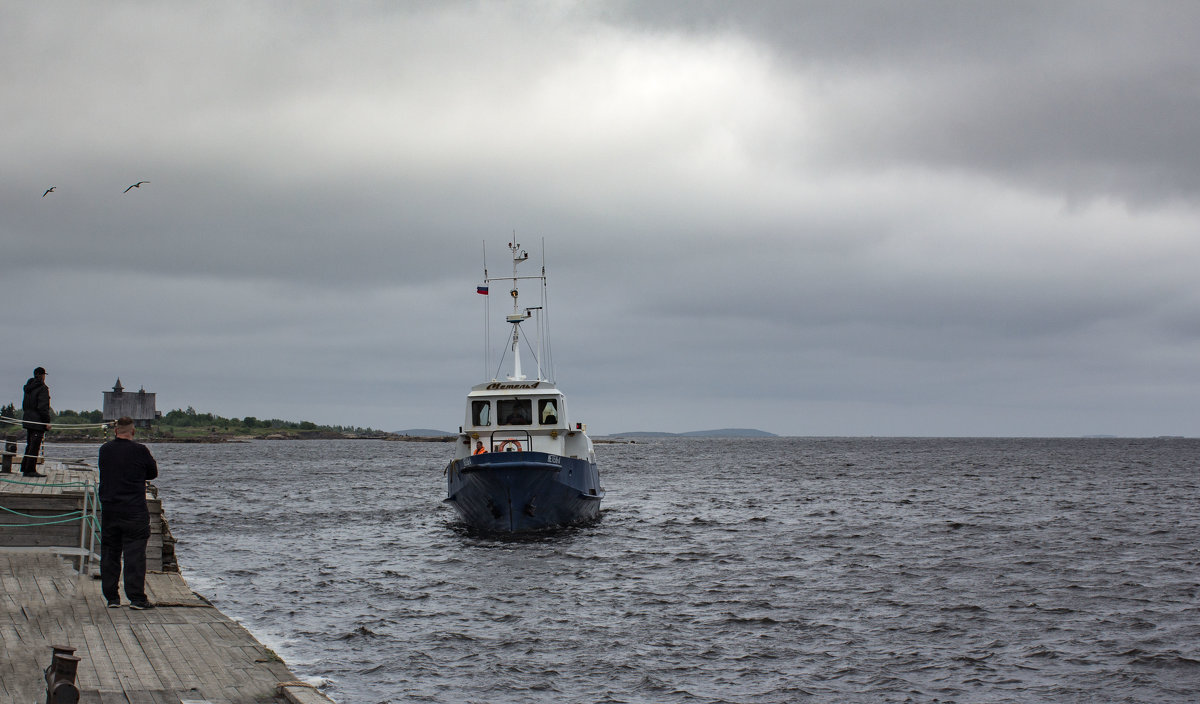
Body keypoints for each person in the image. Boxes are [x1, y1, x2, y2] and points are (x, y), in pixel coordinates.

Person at [98, 416, 159, 610]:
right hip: (134, 510)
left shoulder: (105, 450)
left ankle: (112, 598)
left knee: (110, 553)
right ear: (133, 432)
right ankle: (136, 598)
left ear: (116, 431)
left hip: (110, 508)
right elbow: (152, 473)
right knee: (134, 555)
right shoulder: (140, 451)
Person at [20, 366, 51, 477]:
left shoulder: (29, 388)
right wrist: (46, 422)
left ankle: (24, 467)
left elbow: (25, 405)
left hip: (28, 419)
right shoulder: (42, 388)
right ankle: (30, 469)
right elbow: (42, 407)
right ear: (42, 375)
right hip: (37, 421)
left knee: (29, 444)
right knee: (34, 446)